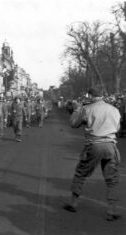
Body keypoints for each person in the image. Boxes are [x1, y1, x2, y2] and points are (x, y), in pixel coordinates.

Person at [64, 88, 121, 221]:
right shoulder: (114, 110)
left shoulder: (87, 109)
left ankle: (73, 203)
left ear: (90, 96)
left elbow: (73, 124)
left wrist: (78, 109)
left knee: (81, 173)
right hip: (111, 145)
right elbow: (117, 128)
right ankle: (111, 211)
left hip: (94, 144)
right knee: (112, 179)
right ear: (102, 96)